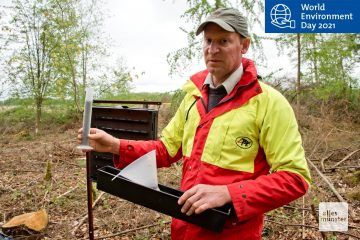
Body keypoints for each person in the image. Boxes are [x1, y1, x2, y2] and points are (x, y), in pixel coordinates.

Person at [78, 7, 311, 240]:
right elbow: (166, 150)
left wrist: (229, 192)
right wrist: (115, 145)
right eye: (208, 40)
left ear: (244, 45)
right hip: (184, 227)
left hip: (232, 233)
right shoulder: (193, 97)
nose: (213, 49)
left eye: (224, 41)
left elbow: (295, 178)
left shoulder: (269, 103)